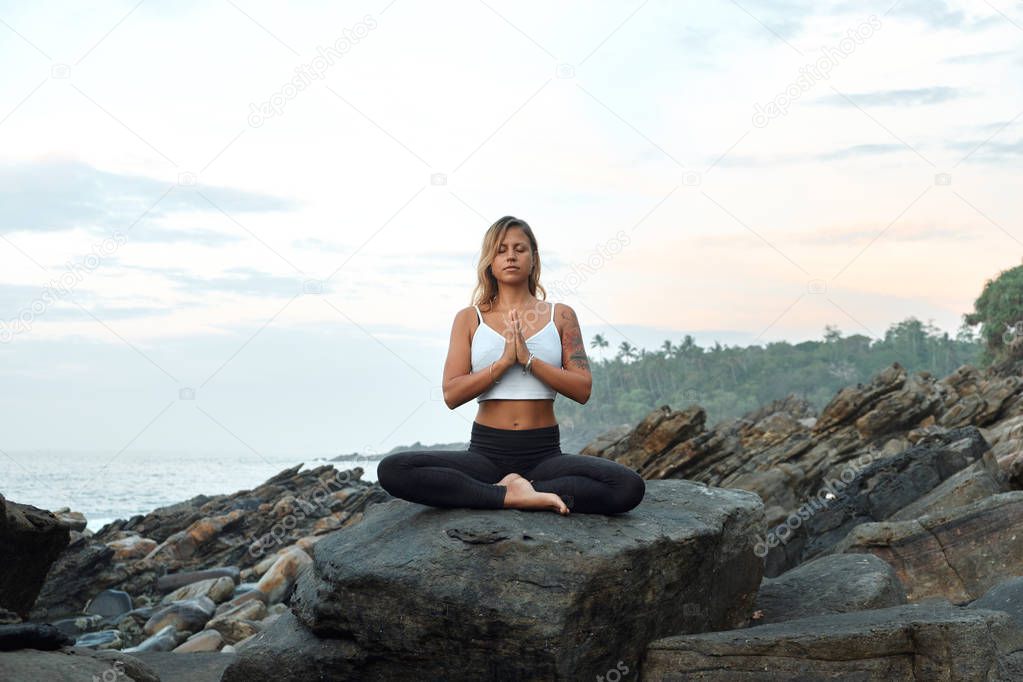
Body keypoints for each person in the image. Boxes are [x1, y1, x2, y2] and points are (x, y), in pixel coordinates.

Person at [377, 216, 646, 515]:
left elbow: (582, 389)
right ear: (490, 261)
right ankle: (510, 495)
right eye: (501, 249)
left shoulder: (561, 315)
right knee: (393, 469)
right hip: (485, 454)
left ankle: (524, 490)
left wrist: (528, 361)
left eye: (520, 248)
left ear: (533, 259)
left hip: (544, 456)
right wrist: (503, 363)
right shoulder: (469, 318)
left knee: (627, 487)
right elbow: (451, 394)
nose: (511, 256)